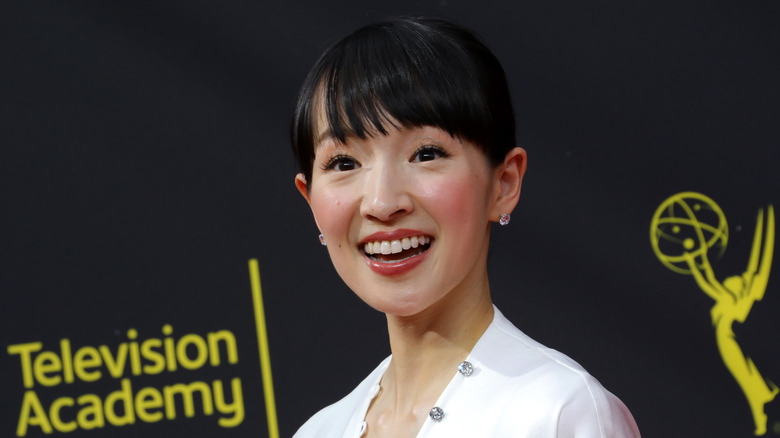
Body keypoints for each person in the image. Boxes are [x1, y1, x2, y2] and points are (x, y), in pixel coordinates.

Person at [290, 16, 640, 438]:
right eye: (344, 163)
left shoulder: (558, 413)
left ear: (503, 183)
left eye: (426, 154)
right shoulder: (318, 431)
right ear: (311, 201)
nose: (382, 202)